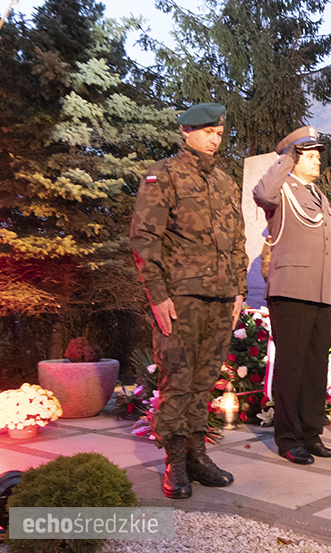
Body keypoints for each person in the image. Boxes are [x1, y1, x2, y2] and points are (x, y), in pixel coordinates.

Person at [130, 103, 247, 499]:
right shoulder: (164, 174)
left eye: (218, 133)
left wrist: (238, 291)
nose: (215, 139)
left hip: (219, 298)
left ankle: (197, 454)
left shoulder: (226, 182)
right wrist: (157, 295)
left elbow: (237, 242)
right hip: (180, 297)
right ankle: (174, 461)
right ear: (187, 131)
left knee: (204, 379)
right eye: (207, 132)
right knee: (177, 381)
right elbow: (145, 238)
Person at [253, 126, 331, 466]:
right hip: (291, 289)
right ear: (294, 157)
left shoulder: (319, 195)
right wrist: (286, 158)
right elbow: (262, 193)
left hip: (320, 291)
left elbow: (329, 249)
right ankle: (288, 437)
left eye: (319, 155)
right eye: (311, 154)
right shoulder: (281, 188)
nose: (318, 160)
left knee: (317, 367)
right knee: (292, 367)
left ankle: (310, 433)